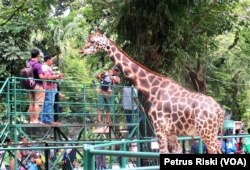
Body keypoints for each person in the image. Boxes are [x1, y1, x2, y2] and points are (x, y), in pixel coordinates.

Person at [94, 66, 121, 132]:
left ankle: (108, 121)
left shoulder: (116, 77)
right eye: (114, 70)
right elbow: (97, 76)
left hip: (109, 95)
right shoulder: (106, 75)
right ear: (112, 70)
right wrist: (103, 73)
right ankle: (99, 121)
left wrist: (112, 78)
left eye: (116, 71)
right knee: (100, 107)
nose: (115, 71)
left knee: (108, 108)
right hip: (102, 93)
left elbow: (118, 81)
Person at [40, 54, 64, 124]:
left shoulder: (44, 67)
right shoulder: (45, 67)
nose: (52, 62)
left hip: (48, 88)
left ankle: (44, 119)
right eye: (51, 60)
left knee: (46, 104)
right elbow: (48, 77)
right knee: (49, 103)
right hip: (50, 88)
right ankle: (48, 120)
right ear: (48, 60)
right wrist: (57, 76)